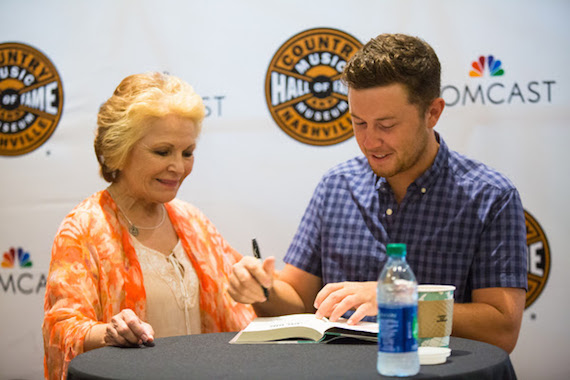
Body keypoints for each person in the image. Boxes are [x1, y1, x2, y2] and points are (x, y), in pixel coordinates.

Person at [228, 33, 527, 354]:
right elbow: (298, 301)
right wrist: (263, 289)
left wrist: (396, 301)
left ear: (433, 113)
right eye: (358, 123)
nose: (370, 141)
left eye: (386, 125)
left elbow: (501, 329)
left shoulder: (490, 196)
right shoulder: (337, 186)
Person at [42, 72, 256, 380]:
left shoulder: (191, 220)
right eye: (162, 151)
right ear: (119, 149)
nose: (179, 167)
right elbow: (61, 327)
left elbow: (242, 305)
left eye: (188, 152)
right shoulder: (83, 228)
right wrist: (108, 333)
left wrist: (257, 283)